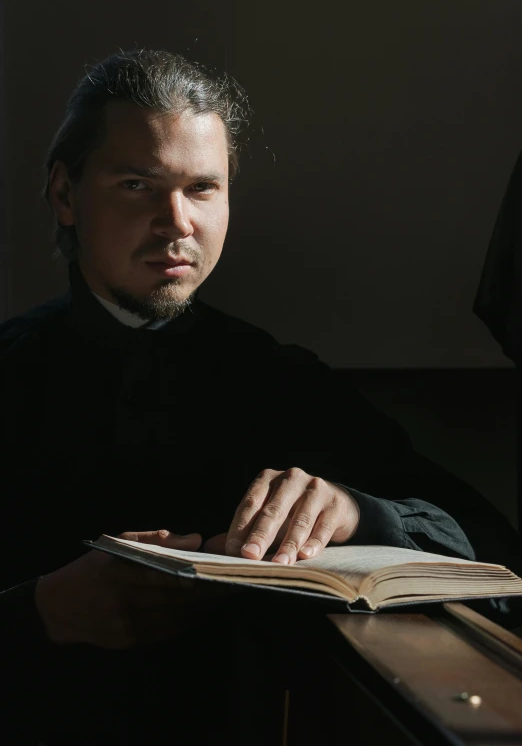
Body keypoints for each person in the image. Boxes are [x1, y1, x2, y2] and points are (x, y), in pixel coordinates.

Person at [1, 49, 521, 744]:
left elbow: (497, 559)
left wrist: (353, 511)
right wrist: (37, 614)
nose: (177, 222)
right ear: (66, 194)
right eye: (136, 184)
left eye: (203, 189)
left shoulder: (278, 381)